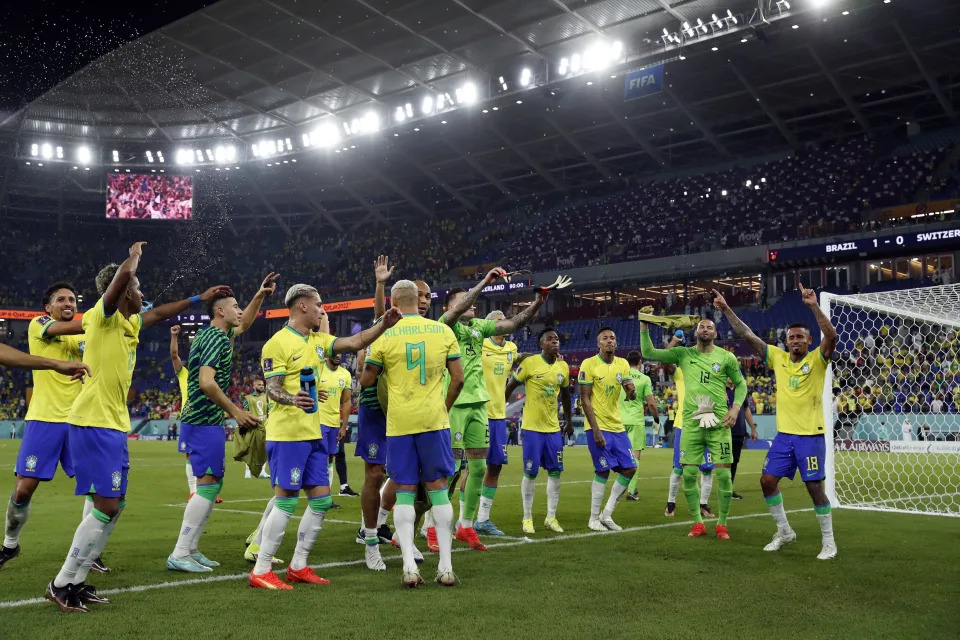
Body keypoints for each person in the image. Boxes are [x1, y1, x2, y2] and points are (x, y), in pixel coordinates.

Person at [45, 241, 231, 612]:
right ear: (126, 291)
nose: (142, 293)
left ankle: (78, 580)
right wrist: (134, 259)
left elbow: (161, 312)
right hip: (92, 422)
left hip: (113, 424)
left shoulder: (130, 322)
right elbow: (121, 281)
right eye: (138, 287)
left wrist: (200, 297)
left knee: (116, 504)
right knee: (106, 504)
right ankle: (62, 581)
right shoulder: (104, 315)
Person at [249, 283, 401, 590]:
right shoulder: (277, 343)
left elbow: (355, 341)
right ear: (302, 306)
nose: (323, 310)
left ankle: (298, 565)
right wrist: (294, 398)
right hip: (287, 434)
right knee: (287, 501)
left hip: (315, 433)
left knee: (320, 501)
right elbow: (273, 388)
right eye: (319, 305)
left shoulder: (319, 341)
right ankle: (261, 568)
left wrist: (383, 324)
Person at [714, 285, 838, 559]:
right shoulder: (778, 358)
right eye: (791, 337)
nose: (794, 341)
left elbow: (831, 335)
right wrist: (726, 310)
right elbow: (747, 334)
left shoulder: (818, 359)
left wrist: (813, 307)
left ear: (808, 342)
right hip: (784, 437)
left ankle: (829, 542)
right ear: (786, 341)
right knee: (767, 481)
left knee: (814, 489)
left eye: (800, 337)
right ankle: (784, 531)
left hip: (810, 436)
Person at [166, 273, 276, 573]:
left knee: (211, 486)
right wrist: (236, 412)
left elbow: (245, 323)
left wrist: (259, 295)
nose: (240, 310)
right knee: (207, 486)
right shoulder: (216, 338)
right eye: (235, 305)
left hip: (202, 421)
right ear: (220, 310)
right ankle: (180, 552)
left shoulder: (214, 333)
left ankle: (190, 548)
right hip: (203, 421)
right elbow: (206, 382)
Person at [359, 279, 464, 587]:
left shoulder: (385, 334)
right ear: (417, 299)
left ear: (394, 301)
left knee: (403, 491)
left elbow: (366, 381)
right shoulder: (443, 331)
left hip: (400, 423)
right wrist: (443, 408)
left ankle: (408, 567)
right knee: (438, 490)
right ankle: (445, 567)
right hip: (434, 421)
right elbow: (457, 379)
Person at [440, 268, 548, 548]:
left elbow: (512, 325)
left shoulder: (479, 328)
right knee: (449, 469)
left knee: (477, 468)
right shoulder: (446, 325)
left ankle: (466, 526)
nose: (472, 304)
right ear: (450, 307)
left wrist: (537, 302)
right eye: (465, 300)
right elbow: (461, 307)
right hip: (453, 404)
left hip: (479, 405)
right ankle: (431, 526)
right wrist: (486, 282)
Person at [0, 282, 92, 570]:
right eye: (61, 299)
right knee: (24, 489)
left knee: (97, 488)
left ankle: (91, 549)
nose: (69, 303)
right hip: (45, 419)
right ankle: (10, 544)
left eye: (73, 299)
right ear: (48, 308)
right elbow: (73, 327)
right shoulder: (40, 324)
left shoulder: (86, 337)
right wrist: (99, 316)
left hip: (81, 420)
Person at [641, 316, 747, 540]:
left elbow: (741, 384)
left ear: (716, 334)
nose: (706, 329)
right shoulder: (684, 354)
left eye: (710, 327)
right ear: (695, 332)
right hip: (691, 423)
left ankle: (722, 524)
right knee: (688, 474)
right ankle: (698, 522)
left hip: (719, 424)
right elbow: (649, 353)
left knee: (724, 475)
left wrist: (736, 409)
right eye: (702, 327)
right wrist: (644, 325)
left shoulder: (726, 357)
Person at [504, 328, 572, 534]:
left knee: (555, 473)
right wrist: (501, 407)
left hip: (553, 429)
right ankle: (527, 518)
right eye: (549, 339)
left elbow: (567, 396)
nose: (555, 342)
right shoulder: (530, 363)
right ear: (541, 344)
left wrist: (568, 420)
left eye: (557, 339)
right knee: (531, 472)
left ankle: (551, 517)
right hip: (532, 428)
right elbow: (510, 385)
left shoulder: (563, 367)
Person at [473, 310, 528, 535]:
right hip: (476, 412)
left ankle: (483, 519)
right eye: (497, 322)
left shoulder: (510, 348)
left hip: (497, 415)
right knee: (469, 468)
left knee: (495, 465)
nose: (502, 324)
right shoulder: (478, 345)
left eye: (504, 321)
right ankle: (460, 520)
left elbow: (517, 358)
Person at [579, 327, 638, 531]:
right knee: (603, 470)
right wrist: (595, 430)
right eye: (605, 338)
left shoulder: (622, 364)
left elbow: (631, 394)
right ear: (598, 343)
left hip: (617, 426)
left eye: (613, 337)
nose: (610, 341)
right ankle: (593, 518)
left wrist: (632, 392)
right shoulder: (589, 364)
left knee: (630, 468)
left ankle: (606, 514)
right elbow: (584, 398)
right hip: (598, 426)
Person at [618, 350, 659, 501]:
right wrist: (656, 419)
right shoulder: (644, 379)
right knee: (635, 456)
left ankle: (621, 487)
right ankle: (630, 490)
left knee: (622, 455)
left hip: (619, 421)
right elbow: (651, 404)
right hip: (635, 421)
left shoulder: (621, 376)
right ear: (640, 363)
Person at [317, 351, 352, 503]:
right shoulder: (318, 369)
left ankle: (327, 496)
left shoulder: (345, 374)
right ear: (327, 355)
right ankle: (320, 495)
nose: (338, 356)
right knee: (320, 457)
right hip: (318, 421)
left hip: (334, 423)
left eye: (340, 353)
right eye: (335, 353)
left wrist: (343, 426)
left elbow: (346, 401)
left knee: (331, 457)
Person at [726, 379, 758, 500]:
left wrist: (753, 429)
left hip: (739, 431)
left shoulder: (741, 389)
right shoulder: (720, 388)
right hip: (725, 431)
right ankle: (724, 489)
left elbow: (746, 410)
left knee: (734, 462)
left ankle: (729, 489)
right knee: (724, 462)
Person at [241, 378, 272, 479]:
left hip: (265, 426)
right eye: (259, 385)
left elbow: (269, 411)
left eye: (262, 384)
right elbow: (245, 411)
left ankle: (262, 471)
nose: (262, 386)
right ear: (254, 387)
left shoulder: (267, 397)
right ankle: (247, 471)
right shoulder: (248, 398)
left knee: (265, 450)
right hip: (253, 427)